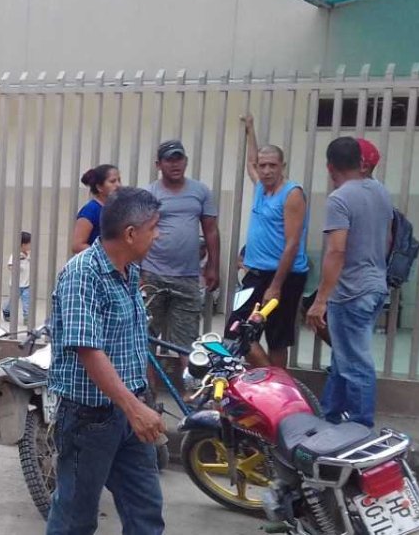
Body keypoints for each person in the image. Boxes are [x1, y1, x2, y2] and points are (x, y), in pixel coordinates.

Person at [47, 187, 166, 535]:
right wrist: (133, 408)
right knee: (76, 518)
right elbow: (88, 351)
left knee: (146, 510)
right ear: (131, 234)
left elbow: (128, 344)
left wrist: (139, 403)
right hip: (90, 419)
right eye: (154, 227)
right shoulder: (83, 274)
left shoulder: (128, 271)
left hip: (130, 413)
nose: (157, 236)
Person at [305, 137, 394, 428]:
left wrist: (320, 300)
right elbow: (388, 238)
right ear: (361, 162)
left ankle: (360, 427)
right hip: (375, 285)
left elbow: (337, 250)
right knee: (344, 359)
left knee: (356, 364)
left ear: (330, 167)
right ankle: (329, 417)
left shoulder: (340, 198)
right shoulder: (380, 191)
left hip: (351, 292)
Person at [229, 114, 310, 369]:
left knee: (277, 338)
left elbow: (292, 243)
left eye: (272, 165)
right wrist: (250, 130)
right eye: (263, 166)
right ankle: (266, 382)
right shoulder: (260, 188)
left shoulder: (292, 194)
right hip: (254, 274)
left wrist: (276, 286)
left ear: (282, 166)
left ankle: (278, 393)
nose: (265, 170)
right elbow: (251, 161)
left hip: (284, 277)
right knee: (236, 328)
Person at [143, 140, 221, 380]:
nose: (175, 164)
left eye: (179, 158)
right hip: (152, 274)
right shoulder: (149, 194)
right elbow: (140, 232)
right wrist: (139, 273)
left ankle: (191, 398)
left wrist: (213, 266)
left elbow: (211, 231)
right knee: (147, 339)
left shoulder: (200, 191)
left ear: (185, 161)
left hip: (187, 277)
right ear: (159, 164)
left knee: (187, 342)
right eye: (169, 159)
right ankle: (148, 397)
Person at [70, 164, 121, 255]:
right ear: (99, 187)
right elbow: (77, 245)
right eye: (112, 181)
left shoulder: (116, 209)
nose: (118, 185)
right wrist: (105, 254)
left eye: (119, 180)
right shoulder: (90, 211)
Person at [2, 231, 32, 323]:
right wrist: (17, 264)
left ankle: (27, 317)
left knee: (26, 301)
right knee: (12, 301)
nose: (30, 246)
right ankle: (6, 310)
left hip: (27, 284)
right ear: (23, 245)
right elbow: (10, 266)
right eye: (29, 244)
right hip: (16, 285)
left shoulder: (29, 253)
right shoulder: (15, 255)